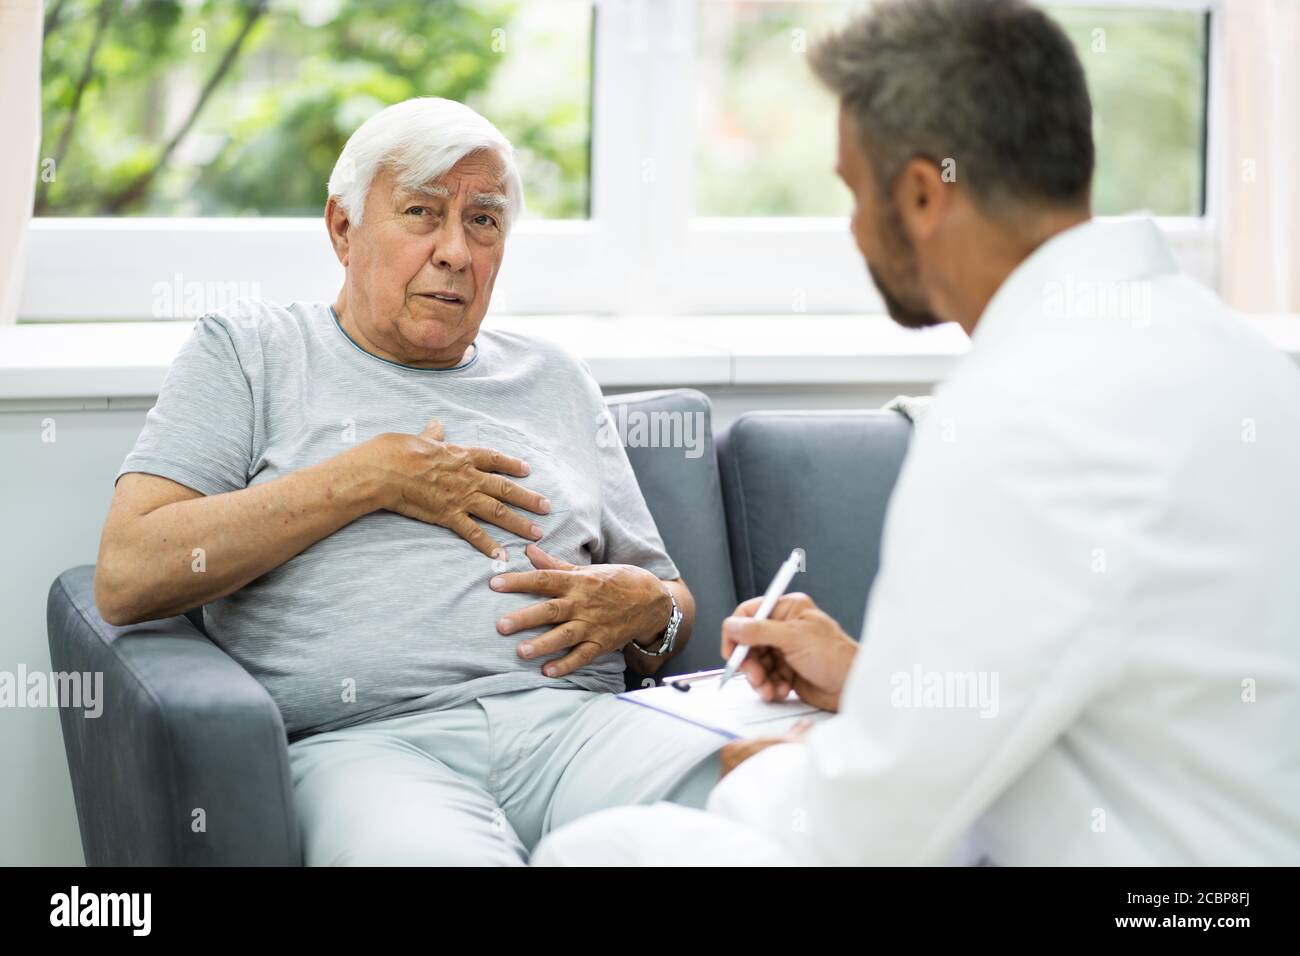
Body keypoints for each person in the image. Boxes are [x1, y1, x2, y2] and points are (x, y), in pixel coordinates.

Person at [532, 0, 1300, 866]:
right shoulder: (1242, 362)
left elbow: (867, 830)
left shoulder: (1022, 413)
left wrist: (753, 769)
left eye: (855, 190)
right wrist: (875, 686)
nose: (853, 226)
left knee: (596, 850)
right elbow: (1102, 694)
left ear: (924, 192)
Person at [94, 97, 725, 865]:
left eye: (483, 222)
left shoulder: (556, 378)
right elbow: (129, 573)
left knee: (752, 822)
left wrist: (647, 609)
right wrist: (367, 477)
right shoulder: (250, 354)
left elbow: (669, 602)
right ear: (342, 228)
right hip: (372, 747)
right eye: (422, 213)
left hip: (580, 730)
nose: (456, 251)